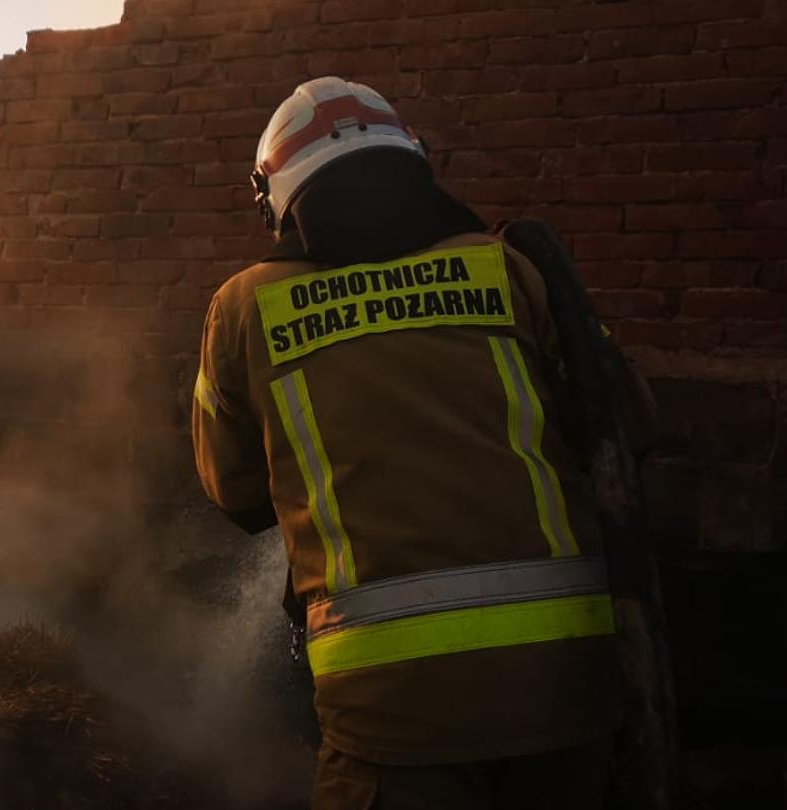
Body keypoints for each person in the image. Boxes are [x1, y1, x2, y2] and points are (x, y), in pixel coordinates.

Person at [190, 76, 640, 809]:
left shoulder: (243, 306)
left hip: (389, 717)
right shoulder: (512, 268)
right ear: (412, 161)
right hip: (569, 692)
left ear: (278, 193)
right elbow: (628, 428)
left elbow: (233, 492)